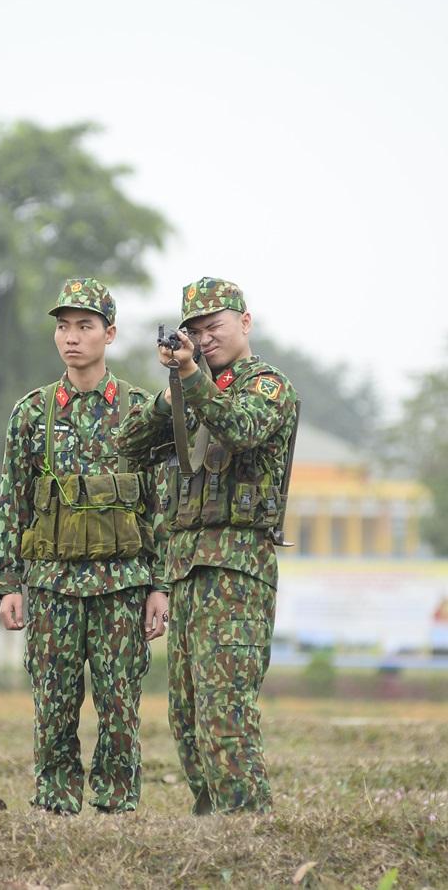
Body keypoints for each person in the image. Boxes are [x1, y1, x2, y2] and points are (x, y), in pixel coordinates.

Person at [116, 276, 298, 815]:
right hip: (188, 571)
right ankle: (212, 827)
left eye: (213, 327)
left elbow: (240, 429)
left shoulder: (267, 386)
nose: (204, 338)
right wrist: (173, 389)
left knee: (226, 713)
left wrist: (192, 378)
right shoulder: (189, 391)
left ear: (244, 322)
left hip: (237, 571)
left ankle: (250, 834)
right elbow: (128, 444)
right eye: (193, 331)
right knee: (188, 716)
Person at [0, 277, 168, 815]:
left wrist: (161, 587)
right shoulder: (32, 413)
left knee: (120, 703)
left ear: (109, 334)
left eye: (85, 326)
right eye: (64, 326)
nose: (72, 337)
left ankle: (116, 806)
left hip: (123, 587)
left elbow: (158, 506)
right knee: (54, 701)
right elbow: (11, 502)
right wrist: (7, 586)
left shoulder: (141, 410)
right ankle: (54, 802)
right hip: (51, 585)